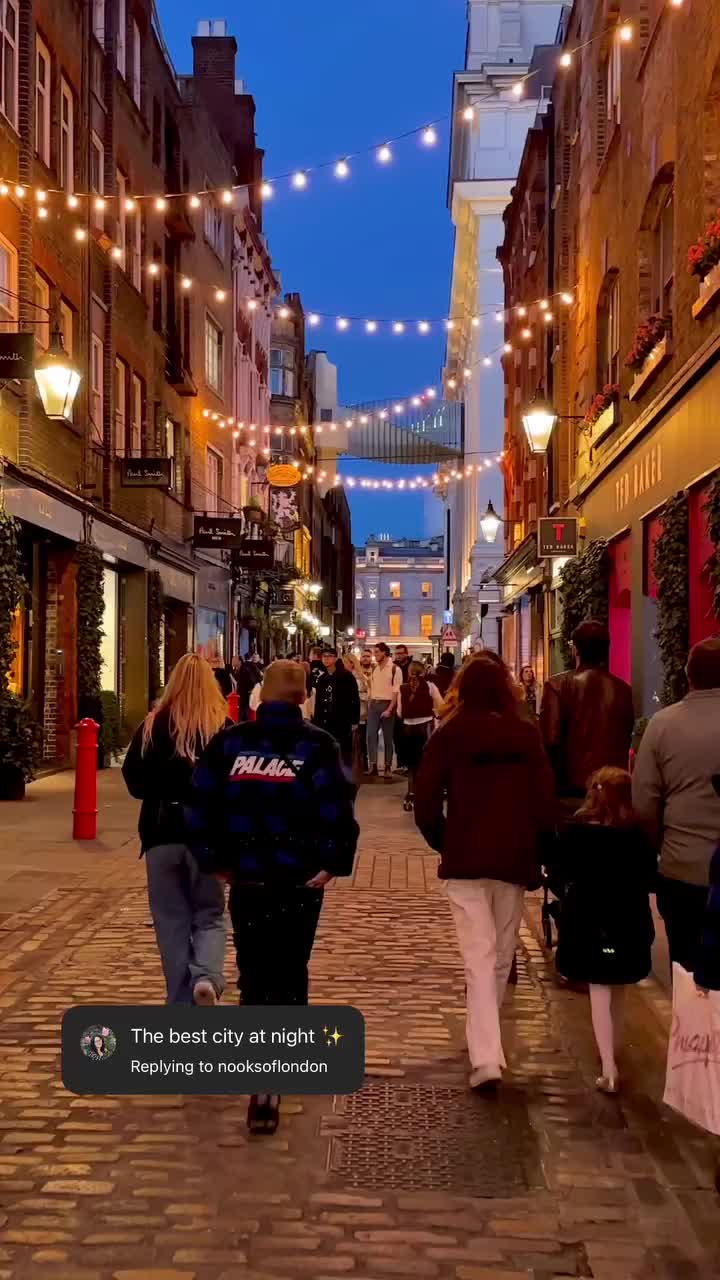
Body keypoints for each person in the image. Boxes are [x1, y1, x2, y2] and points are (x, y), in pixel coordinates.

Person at [185, 660, 359, 1134]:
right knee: (289, 968)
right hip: (299, 878)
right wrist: (333, 861)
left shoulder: (230, 743)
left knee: (256, 971)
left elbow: (199, 806)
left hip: (248, 878)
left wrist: (215, 859)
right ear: (303, 697)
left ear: (262, 696)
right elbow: (337, 809)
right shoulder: (318, 746)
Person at [414, 655, 556, 1092]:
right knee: (499, 955)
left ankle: (486, 1055)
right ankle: (486, 1049)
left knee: (480, 957)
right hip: (511, 859)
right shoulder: (524, 734)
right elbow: (544, 799)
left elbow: (424, 799)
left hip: (466, 859)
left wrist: (446, 839)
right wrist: (539, 849)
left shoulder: (451, 733)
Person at [122, 653, 229, 1006]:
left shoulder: (152, 725)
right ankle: (207, 978)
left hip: (161, 834)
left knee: (171, 922)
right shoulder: (222, 728)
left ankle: (181, 1000)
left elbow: (134, 782)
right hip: (207, 837)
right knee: (210, 914)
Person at [552, 767, 656, 1095]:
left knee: (598, 989)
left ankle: (607, 1064)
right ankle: (614, 1052)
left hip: (588, 925)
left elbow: (558, 874)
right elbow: (649, 878)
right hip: (628, 924)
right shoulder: (638, 835)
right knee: (620, 988)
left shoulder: (576, 833)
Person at [632, 637, 720, 975]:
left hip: (682, 868)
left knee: (685, 967)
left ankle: (691, 1027)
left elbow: (644, 803)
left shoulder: (663, 725)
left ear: (688, 675)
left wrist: (660, 847)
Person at [540, 620, 634, 821]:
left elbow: (551, 740)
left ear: (575, 649)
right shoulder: (623, 690)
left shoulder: (557, 686)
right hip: (613, 795)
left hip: (570, 795)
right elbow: (626, 737)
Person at [398, 661, 443, 811]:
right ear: (423, 672)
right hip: (425, 728)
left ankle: (411, 792)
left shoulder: (402, 689)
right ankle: (426, 793)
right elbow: (441, 706)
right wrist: (435, 712)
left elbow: (399, 712)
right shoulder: (430, 686)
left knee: (411, 764)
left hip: (407, 729)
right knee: (426, 762)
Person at [313, 647, 360, 765]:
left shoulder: (347, 676)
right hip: (324, 720)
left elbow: (354, 698)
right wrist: (317, 721)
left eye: (329, 656)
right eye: (324, 656)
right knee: (327, 751)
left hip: (342, 720)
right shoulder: (322, 678)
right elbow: (318, 701)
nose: (326, 659)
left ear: (335, 658)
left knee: (343, 751)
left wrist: (354, 720)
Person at [366, 642, 403, 778]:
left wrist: (390, 708)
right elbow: (371, 686)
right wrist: (370, 703)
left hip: (388, 703)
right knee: (370, 735)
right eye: (374, 652)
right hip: (374, 704)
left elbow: (396, 691)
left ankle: (387, 767)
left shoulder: (394, 669)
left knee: (388, 737)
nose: (375, 655)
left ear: (384, 652)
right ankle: (373, 765)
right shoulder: (375, 668)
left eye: (377, 652)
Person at [393, 644, 413, 772]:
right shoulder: (393, 667)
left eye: (401, 653)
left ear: (406, 653)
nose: (399, 656)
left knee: (408, 736)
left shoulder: (412, 666)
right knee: (397, 735)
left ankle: (408, 763)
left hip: (409, 704)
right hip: (396, 704)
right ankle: (400, 763)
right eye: (397, 653)